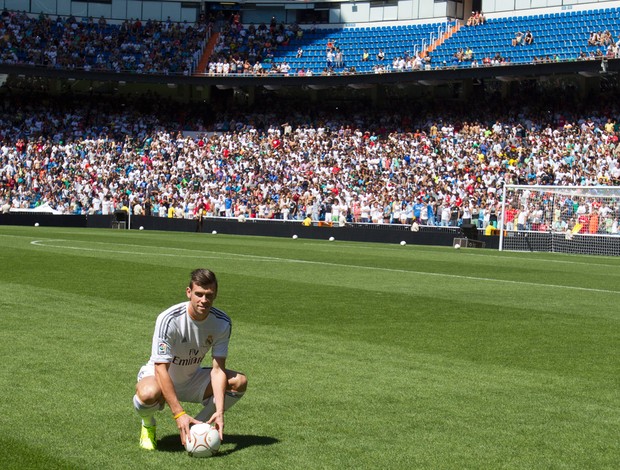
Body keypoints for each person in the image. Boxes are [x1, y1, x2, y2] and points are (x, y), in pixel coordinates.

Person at [132, 269, 248, 451]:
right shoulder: (169, 319)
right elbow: (161, 369)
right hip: (160, 377)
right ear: (189, 292)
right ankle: (148, 424)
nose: (204, 300)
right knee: (147, 393)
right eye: (199, 294)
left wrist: (219, 411)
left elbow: (218, 371)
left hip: (191, 379)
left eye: (209, 295)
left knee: (238, 382)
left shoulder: (222, 322)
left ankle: (198, 426)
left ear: (215, 295)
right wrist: (179, 414)